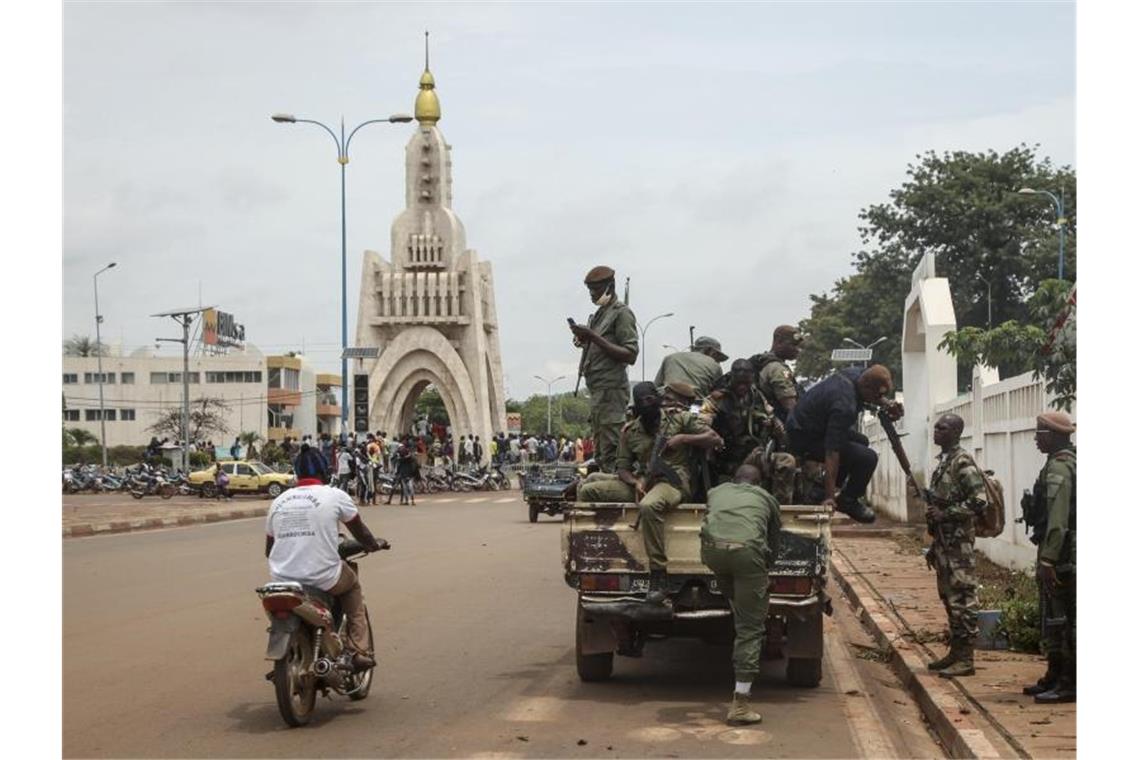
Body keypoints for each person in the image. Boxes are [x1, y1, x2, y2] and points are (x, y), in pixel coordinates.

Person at [577, 381, 723, 603]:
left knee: (649, 506)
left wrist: (683, 438)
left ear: (658, 399)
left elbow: (714, 439)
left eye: (651, 399)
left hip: (674, 483)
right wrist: (634, 482)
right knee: (588, 490)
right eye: (642, 401)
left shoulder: (679, 419)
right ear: (636, 405)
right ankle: (601, 549)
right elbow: (622, 468)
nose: (648, 404)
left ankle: (658, 574)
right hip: (644, 481)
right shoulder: (630, 430)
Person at [264, 444, 387, 671]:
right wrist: (373, 544)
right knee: (352, 587)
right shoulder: (335, 495)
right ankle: (358, 650)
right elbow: (360, 531)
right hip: (323, 577)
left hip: (282, 580)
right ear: (325, 471)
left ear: (297, 472)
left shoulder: (279, 501)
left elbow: (269, 549)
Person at [700, 464, 781, 726]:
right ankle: (741, 705)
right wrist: (767, 570)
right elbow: (774, 540)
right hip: (747, 555)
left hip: (712, 553)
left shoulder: (715, 491)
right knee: (750, 629)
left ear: (734, 480)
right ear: (758, 484)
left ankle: (740, 607)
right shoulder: (767, 498)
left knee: (737, 599)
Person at [785, 364, 898, 523]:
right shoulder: (844, 405)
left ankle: (820, 489)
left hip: (813, 425)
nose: (877, 400)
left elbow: (874, 391)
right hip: (803, 437)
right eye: (877, 396)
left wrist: (888, 404)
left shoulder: (857, 374)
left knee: (862, 441)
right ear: (866, 387)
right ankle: (847, 500)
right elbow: (832, 451)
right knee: (867, 457)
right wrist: (830, 497)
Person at [923, 414, 985, 678]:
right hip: (944, 543)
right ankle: (955, 653)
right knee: (949, 598)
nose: (937, 431)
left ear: (957, 432)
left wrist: (946, 514)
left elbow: (979, 500)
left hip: (959, 545)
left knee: (963, 598)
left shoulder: (962, 462)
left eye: (943, 428)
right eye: (936, 427)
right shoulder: (944, 462)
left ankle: (966, 658)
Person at [1022, 411, 1076, 704]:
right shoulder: (1062, 463)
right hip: (1064, 552)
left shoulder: (1059, 468)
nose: (1035, 438)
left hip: (1063, 555)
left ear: (1052, 435)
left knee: (1062, 618)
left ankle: (1069, 682)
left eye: (1039, 433)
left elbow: (1057, 519)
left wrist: (1048, 560)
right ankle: (1055, 675)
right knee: (1055, 617)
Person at [569, 265, 639, 473]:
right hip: (598, 390)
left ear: (610, 286)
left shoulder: (622, 314)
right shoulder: (600, 315)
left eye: (596, 290)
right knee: (602, 449)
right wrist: (584, 339)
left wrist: (592, 336)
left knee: (613, 445)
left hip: (612, 389)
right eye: (590, 290)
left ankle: (618, 489)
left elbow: (630, 354)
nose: (592, 295)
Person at [702, 359, 796, 503]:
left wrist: (774, 424)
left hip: (754, 453)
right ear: (732, 377)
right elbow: (701, 424)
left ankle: (779, 508)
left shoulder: (756, 396)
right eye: (739, 383)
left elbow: (770, 415)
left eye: (746, 383)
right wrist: (713, 436)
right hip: (727, 457)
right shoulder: (717, 399)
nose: (742, 387)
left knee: (786, 461)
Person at [750, 325, 804, 422]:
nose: (797, 349)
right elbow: (791, 407)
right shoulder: (777, 369)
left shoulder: (763, 362)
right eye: (793, 345)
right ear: (779, 342)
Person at [655, 336, 728, 399]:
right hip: (696, 406)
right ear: (708, 350)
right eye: (716, 355)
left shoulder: (670, 358)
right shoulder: (715, 365)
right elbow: (718, 394)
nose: (717, 360)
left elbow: (656, 386)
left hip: (667, 401)